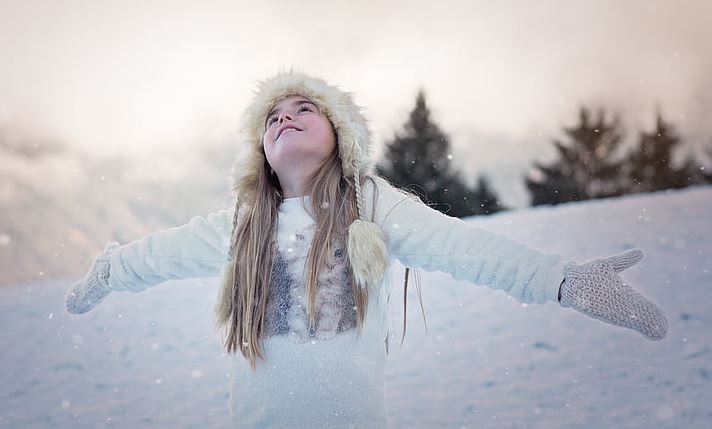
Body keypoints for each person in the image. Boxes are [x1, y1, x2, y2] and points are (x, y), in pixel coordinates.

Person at [65, 70, 668, 428]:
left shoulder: (374, 207)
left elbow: (463, 248)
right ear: (260, 151)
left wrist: (562, 280)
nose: (286, 118)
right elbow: (159, 255)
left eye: (305, 109)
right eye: (272, 116)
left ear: (340, 137)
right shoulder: (242, 228)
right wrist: (111, 268)